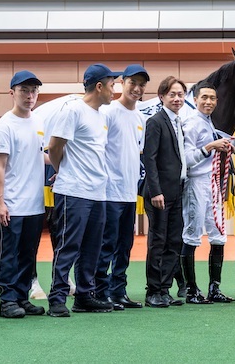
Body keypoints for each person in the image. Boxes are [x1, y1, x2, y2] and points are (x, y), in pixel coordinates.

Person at [47, 63, 117, 317]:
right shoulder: (73, 110)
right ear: (99, 86)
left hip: (98, 192)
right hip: (74, 190)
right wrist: (63, 170)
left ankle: (84, 297)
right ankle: (57, 297)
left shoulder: (101, 115)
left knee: (92, 248)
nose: (114, 90)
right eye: (112, 85)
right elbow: (54, 147)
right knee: (68, 246)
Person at [0, 71, 48, 318]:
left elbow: (40, 155)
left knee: (29, 255)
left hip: (35, 204)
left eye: (34, 90)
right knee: (9, 255)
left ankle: (22, 297)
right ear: (12, 92)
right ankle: (7, 301)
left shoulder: (38, 122)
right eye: (24, 90)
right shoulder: (5, 125)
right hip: (12, 205)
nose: (30, 95)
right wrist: (0, 203)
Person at [96, 63, 149, 311]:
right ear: (122, 83)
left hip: (130, 192)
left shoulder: (140, 118)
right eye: (132, 83)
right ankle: (101, 291)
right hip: (108, 191)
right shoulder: (108, 112)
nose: (137, 89)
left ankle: (119, 291)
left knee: (125, 246)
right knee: (106, 245)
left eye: (141, 85)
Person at [178, 83, 235, 304]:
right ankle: (192, 290)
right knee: (192, 235)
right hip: (196, 183)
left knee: (218, 235)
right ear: (195, 99)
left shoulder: (209, 123)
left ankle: (214, 288)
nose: (209, 102)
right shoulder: (191, 123)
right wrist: (211, 147)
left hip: (212, 183)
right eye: (204, 97)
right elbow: (187, 159)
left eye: (212, 98)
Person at [141, 76, 189, 309]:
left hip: (177, 191)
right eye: (172, 94)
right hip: (159, 194)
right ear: (161, 97)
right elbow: (148, 159)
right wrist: (155, 191)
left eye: (180, 94)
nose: (177, 98)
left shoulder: (178, 122)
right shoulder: (155, 121)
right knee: (158, 242)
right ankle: (153, 291)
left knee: (174, 241)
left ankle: (165, 288)